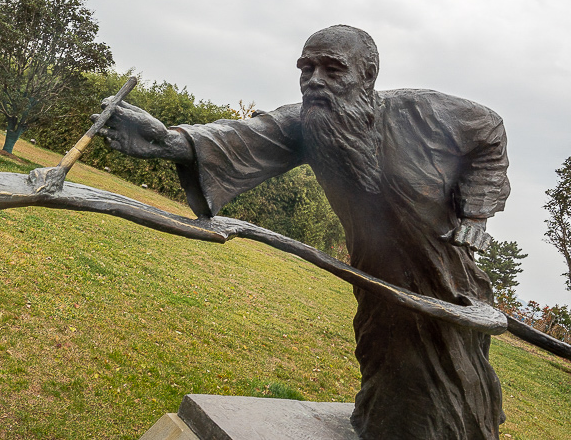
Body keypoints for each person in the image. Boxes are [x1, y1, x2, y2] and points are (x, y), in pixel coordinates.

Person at [96, 25, 510, 440]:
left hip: (447, 276)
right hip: (376, 273)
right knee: (384, 359)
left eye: (332, 69)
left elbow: (490, 131)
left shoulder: (425, 112)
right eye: (306, 68)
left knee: (454, 377)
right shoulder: (308, 123)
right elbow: (239, 139)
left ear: (367, 75)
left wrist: (475, 215)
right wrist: (166, 141)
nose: (315, 81)